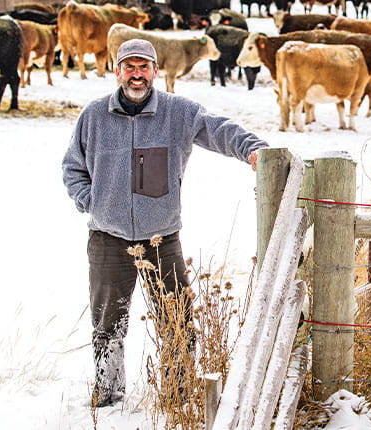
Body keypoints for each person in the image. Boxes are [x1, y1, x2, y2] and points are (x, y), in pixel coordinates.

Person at [61, 38, 269, 407]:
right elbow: (73, 168)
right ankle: (108, 393)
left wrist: (254, 149)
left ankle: (177, 392)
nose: (137, 75)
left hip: (161, 238)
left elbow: (219, 129)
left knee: (177, 320)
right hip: (108, 239)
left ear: (156, 71)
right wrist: (91, 202)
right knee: (107, 323)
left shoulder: (177, 112)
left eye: (144, 67)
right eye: (130, 67)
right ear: (117, 71)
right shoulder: (93, 116)